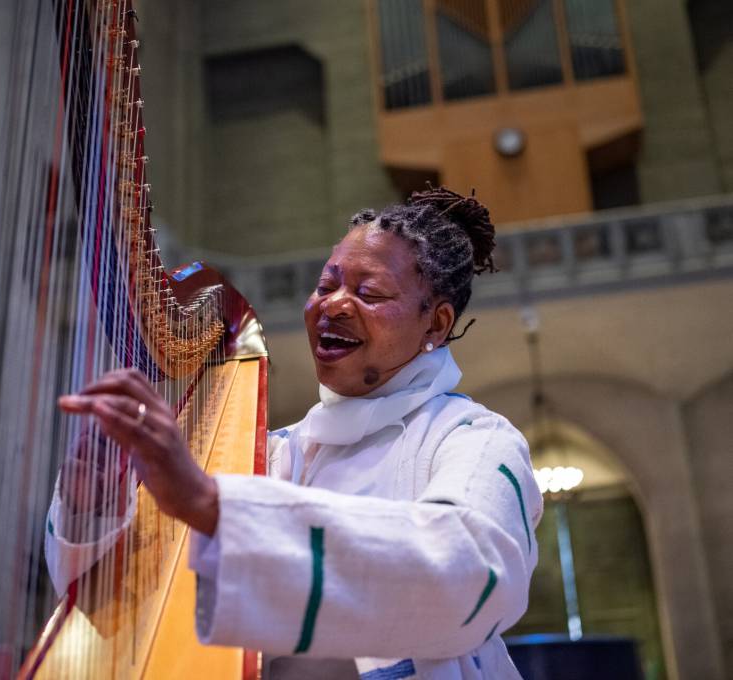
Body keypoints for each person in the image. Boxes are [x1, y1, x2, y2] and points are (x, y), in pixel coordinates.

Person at [49, 186, 543, 679]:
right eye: (326, 286)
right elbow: (117, 611)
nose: (334, 306)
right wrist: (92, 511)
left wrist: (215, 506)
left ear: (435, 324)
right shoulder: (272, 454)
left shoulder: (474, 439)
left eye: (368, 293)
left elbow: (474, 576)